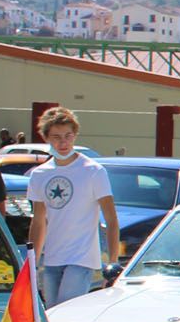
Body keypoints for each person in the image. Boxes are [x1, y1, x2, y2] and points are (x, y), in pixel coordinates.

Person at [27, 106, 118, 306]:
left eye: (68, 136)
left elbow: (111, 220)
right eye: (56, 137)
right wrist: (31, 261)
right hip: (52, 258)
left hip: (82, 258)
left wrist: (113, 263)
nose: (63, 142)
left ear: (75, 136)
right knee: (51, 315)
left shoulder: (93, 171)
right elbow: (39, 221)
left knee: (65, 311)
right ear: (46, 138)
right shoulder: (39, 174)